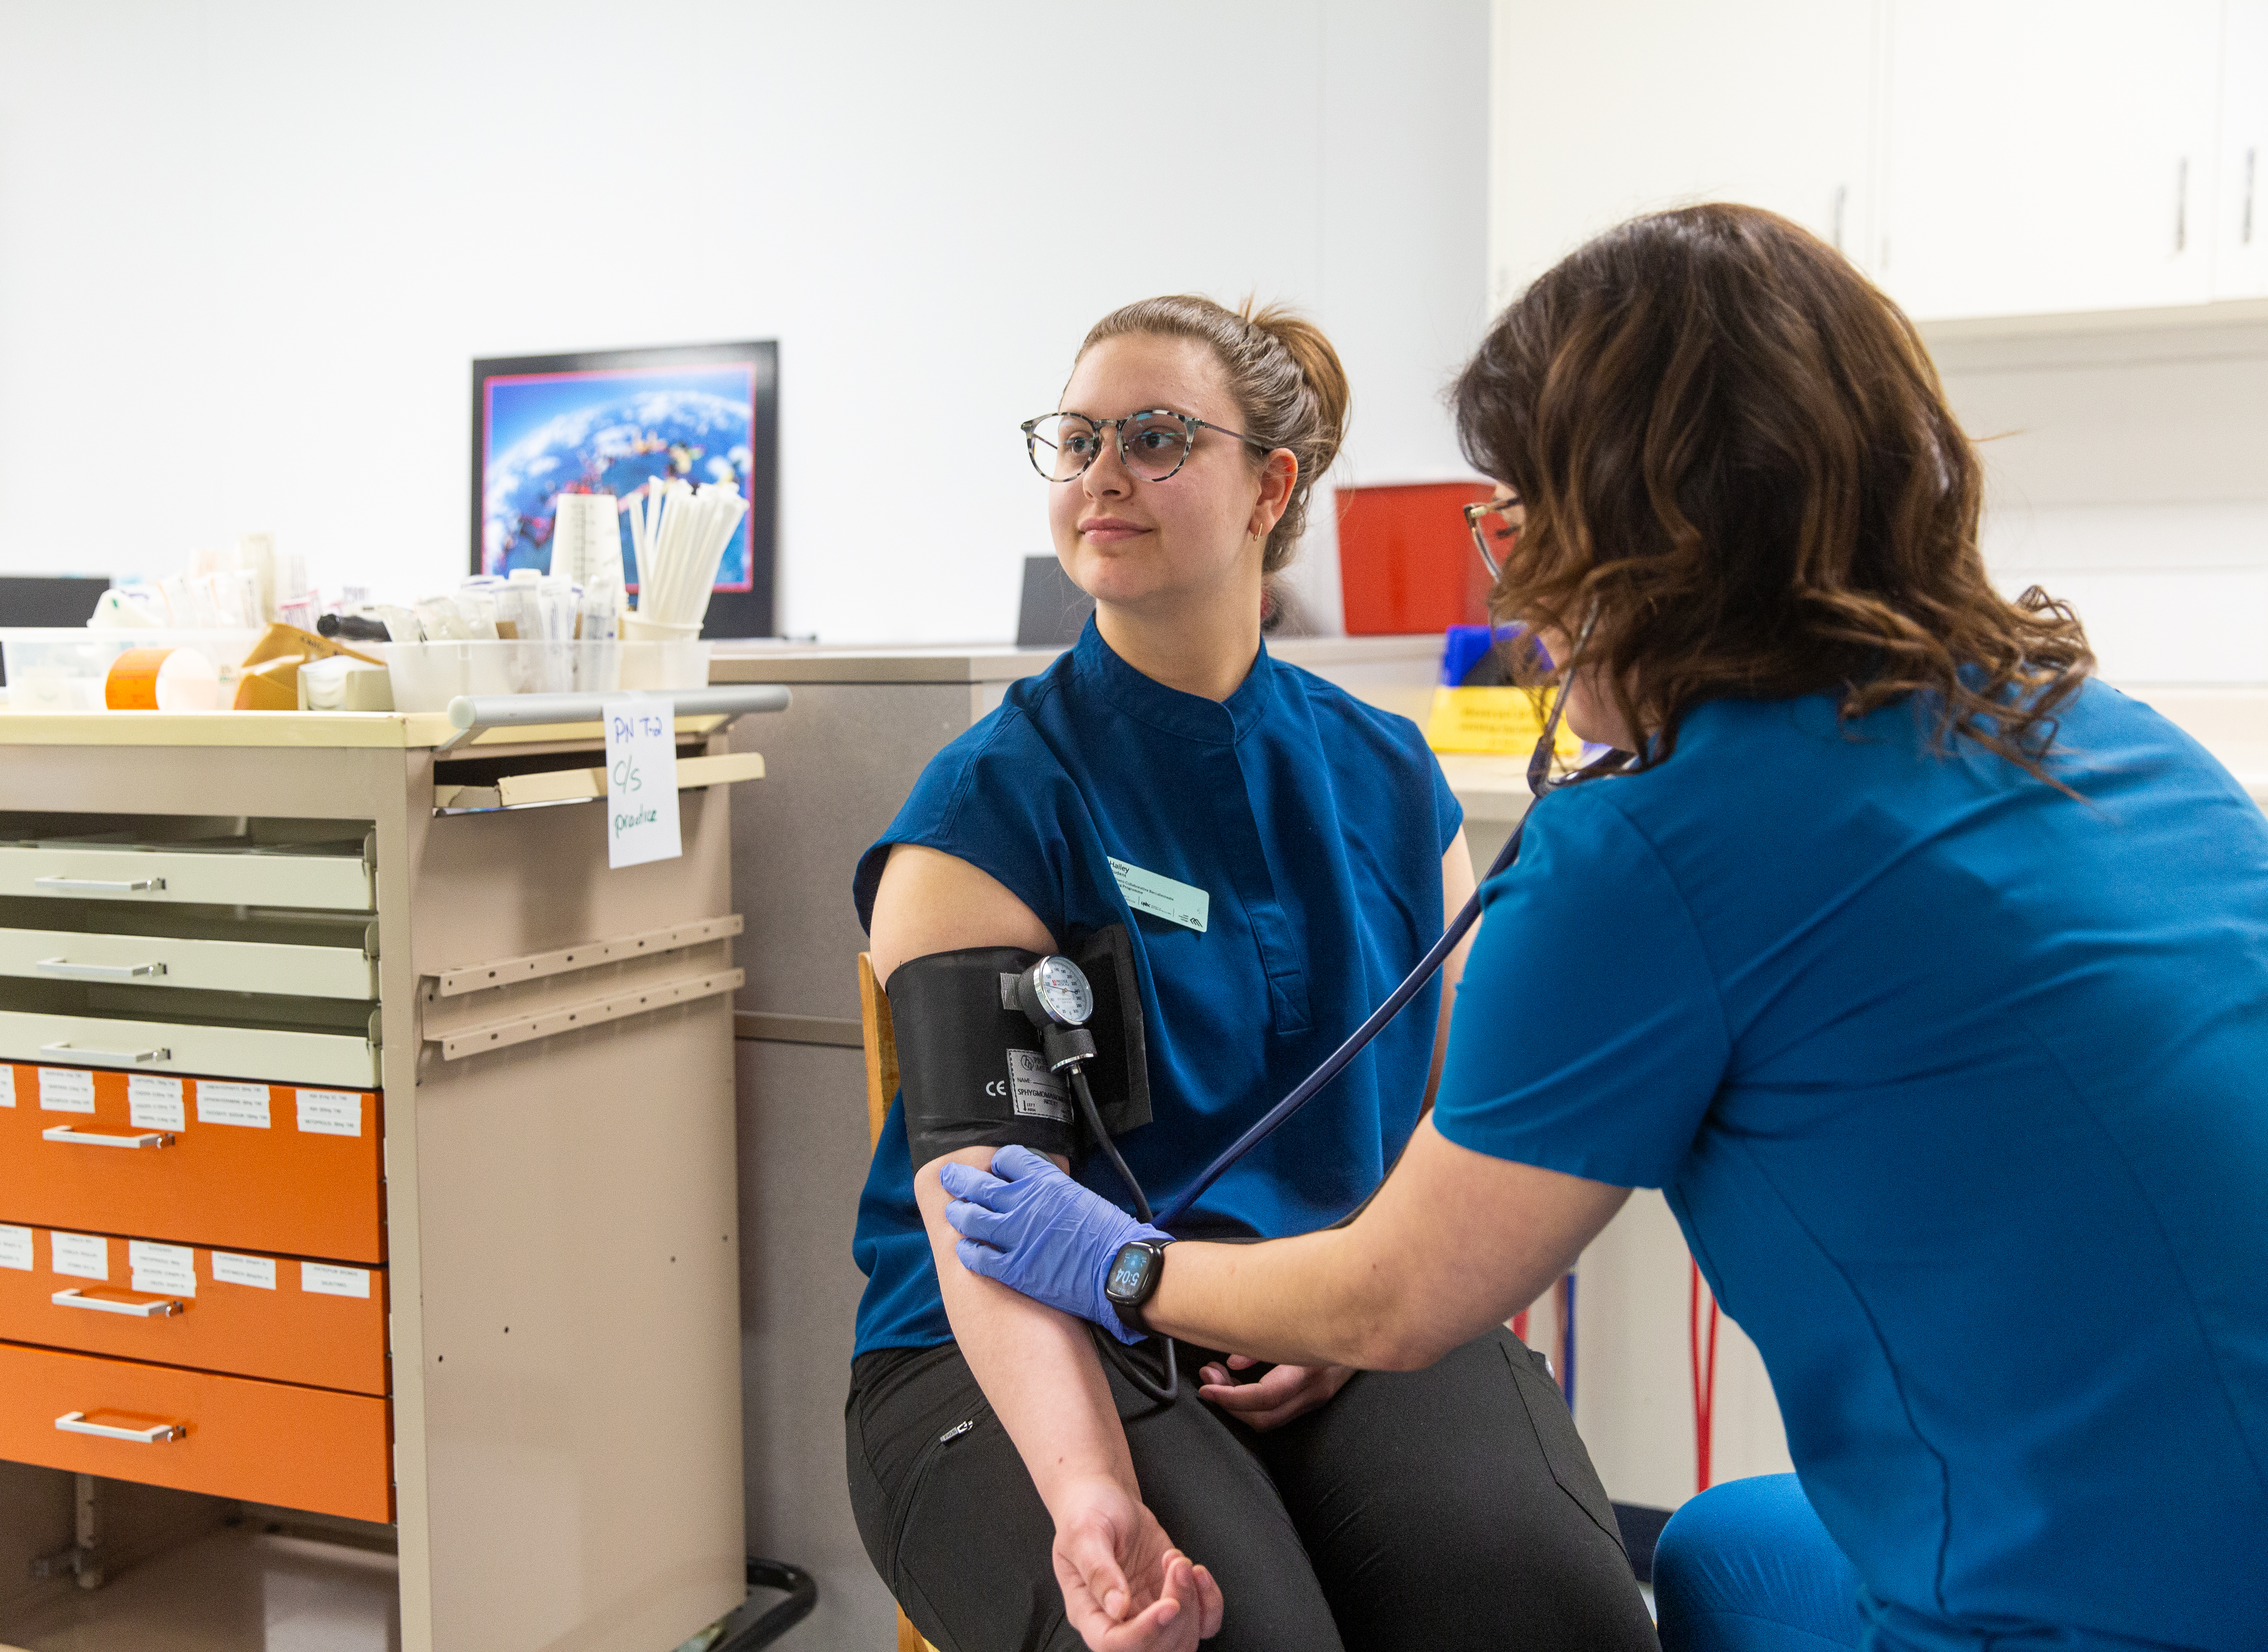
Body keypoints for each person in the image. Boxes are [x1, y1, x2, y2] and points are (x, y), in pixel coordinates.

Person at [943, 206, 2268, 1652]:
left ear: (1639, 532)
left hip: (2097, 1605)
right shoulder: (2120, 736)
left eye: (1521, 519)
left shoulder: (1636, 845)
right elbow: (971, 1173)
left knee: (1550, 1600)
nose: (1512, 586)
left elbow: (1396, 1297)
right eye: (1077, 441)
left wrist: (1120, 1262)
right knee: (1715, 1554)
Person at [846, 294, 1656, 1652]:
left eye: (1156, 437)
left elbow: (1465, 1105)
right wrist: (1091, 1488)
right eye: (1078, 438)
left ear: (1273, 487)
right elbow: (981, 1207)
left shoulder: (1392, 778)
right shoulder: (986, 809)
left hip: (1332, 1298)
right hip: (1029, 1338)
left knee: (1552, 1618)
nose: (1103, 472)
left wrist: (1365, 1301)